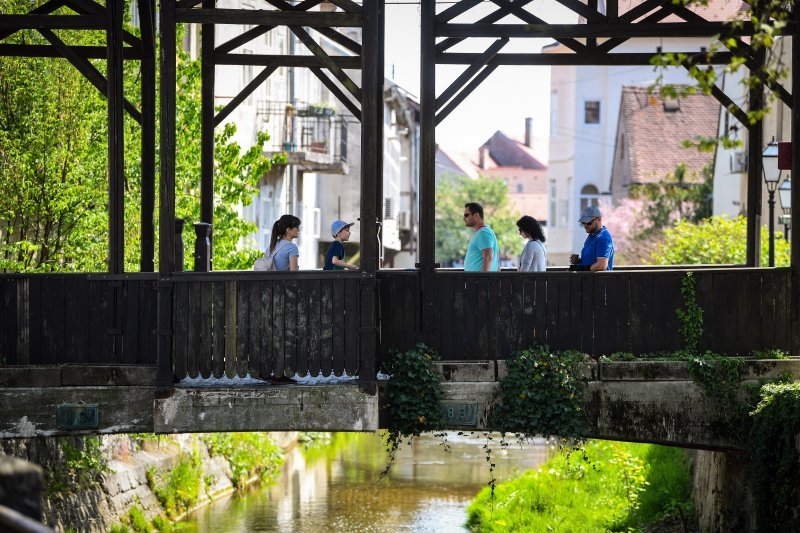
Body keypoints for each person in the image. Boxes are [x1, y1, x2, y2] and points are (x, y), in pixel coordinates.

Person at [570, 205, 614, 271]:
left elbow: (601, 266)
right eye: (583, 222)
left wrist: (583, 269)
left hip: (599, 280)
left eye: (588, 222)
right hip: (590, 279)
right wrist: (579, 261)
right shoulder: (592, 236)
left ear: (599, 219)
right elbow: (591, 261)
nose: (585, 225)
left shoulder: (603, 238)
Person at [463, 202, 499, 272]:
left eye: (466, 215)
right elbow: (496, 260)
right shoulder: (484, 232)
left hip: (480, 281)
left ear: (476, 215)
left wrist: (483, 280)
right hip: (479, 281)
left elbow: (488, 258)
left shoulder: (483, 233)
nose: (464, 218)